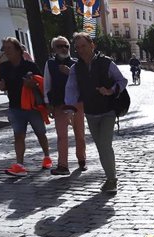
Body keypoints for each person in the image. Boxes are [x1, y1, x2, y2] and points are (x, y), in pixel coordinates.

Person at [64, 32, 128, 194]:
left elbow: (122, 80)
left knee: (105, 145)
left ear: (92, 45)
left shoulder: (106, 63)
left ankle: (112, 180)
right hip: (91, 113)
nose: (80, 50)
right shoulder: (75, 69)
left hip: (108, 111)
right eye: (77, 47)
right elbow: (71, 89)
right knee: (101, 147)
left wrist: (110, 90)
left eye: (83, 46)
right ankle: (110, 177)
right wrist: (70, 108)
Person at [0, 37, 51, 177]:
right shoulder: (4, 67)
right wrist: (1, 86)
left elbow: (41, 83)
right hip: (15, 106)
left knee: (40, 133)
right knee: (18, 135)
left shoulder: (30, 66)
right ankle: (20, 164)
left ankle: (47, 157)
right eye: (5, 48)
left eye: (9, 48)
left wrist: (32, 84)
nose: (6, 51)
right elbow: (3, 84)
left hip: (32, 107)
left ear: (18, 50)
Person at [44, 36, 86, 176]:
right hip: (59, 104)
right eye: (60, 46)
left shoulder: (77, 63)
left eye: (66, 46)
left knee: (79, 134)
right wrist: (48, 103)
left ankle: (81, 159)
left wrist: (70, 74)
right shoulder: (50, 64)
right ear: (54, 48)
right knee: (62, 136)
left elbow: (84, 84)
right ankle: (63, 165)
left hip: (76, 103)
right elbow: (47, 85)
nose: (63, 48)